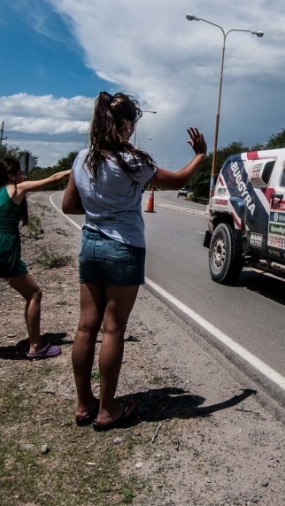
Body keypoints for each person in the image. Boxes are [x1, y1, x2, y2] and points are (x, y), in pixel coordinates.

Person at [62, 92, 206, 430]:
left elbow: (69, 205)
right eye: (133, 122)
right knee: (113, 328)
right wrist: (200, 155)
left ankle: (83, 404)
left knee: (85, 327)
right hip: (123, 247)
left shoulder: (83, 158)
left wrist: (99, 210)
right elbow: (178, 181)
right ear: (126, 123)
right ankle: (107, 410)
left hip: (90, 244)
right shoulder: (132, 161)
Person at [0, 157, 71, 362]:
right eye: (21, 172)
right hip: (3, 250)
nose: (24, 175)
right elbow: (54, 178)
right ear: (11, 175)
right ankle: (36, 346)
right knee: (34, 294)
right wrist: (78, 168)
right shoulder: (16, 189)